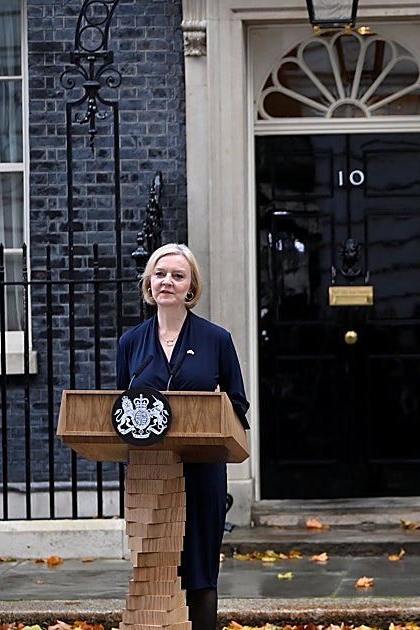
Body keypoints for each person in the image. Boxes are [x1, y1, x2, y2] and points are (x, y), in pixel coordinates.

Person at [116, 243, 249, 630]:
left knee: (199, 571)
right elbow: (120, 410)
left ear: (191, 287)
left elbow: (236, 403)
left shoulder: (216, 339)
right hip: (150, 472)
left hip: (202, 469)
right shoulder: (131, 344)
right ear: (149, 283)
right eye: (160, 274)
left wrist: (205, 418)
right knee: (155, 571)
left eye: (177, 275)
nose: (167, 282)